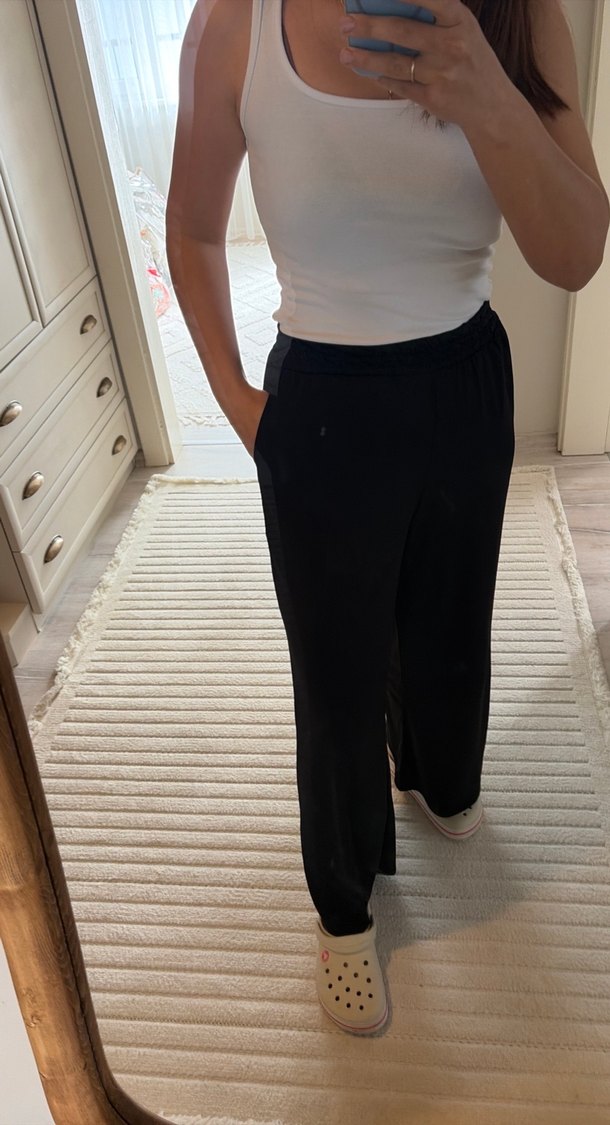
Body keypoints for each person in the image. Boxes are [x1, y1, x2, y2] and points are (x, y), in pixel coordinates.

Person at [165, 0, 609, 1036]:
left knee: (450, 628)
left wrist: (484, 94)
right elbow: (192, 226)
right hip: (321, 396)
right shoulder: (234, 24)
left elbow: (574, 254)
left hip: (466, 379)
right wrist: (238, 401)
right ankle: (344, 908)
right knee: (336, 676)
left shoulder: (520, 16)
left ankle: (440, 778)